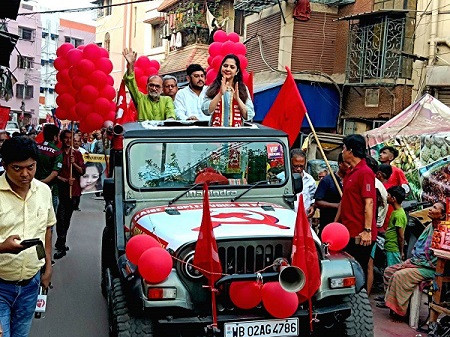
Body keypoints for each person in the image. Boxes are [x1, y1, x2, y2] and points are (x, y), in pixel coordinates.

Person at [0, 136, 55, 337]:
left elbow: (47, 230)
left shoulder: (44, 191)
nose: (25, 174)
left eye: (30, 167)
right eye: (17, 168)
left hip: (31, 285)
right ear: (5, 165)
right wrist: (2, 247)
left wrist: (47, 268)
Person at [379, 201, 446, 317]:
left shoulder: (442, 231)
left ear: (442, 215)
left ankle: (399, 311)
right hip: (418, 262)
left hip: (429, 268)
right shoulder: (430, 226)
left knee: (399, 275)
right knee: (389, 271)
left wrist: (415, 263)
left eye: (434, 208)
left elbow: (434, 257)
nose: (430, 209)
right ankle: (391, 302)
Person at [335, 134, 377, 281]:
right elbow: (344, 201)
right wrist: (335, 224)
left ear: (351, 151)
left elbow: (369, 203)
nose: (342, 151)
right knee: (346, 271)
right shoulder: (350, 173)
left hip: (360, 234)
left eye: (344, 148)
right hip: (346, 231)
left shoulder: (365, 172)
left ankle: (360, 303)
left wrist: (367, 231)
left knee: (358, 273)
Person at [54, 130, 85, 259]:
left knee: (67, 219)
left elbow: (82, 171)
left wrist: (74, 164)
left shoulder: (76, 154)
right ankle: (61, 245)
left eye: (70, 138)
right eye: (65, 138)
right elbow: (54, 174)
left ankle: (61, 241)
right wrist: (65, 180)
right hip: (60, 191)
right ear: (62, 139)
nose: (68, 140)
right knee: (60, 219)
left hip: (74, 192)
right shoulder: (57, 153)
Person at [122, 48, 176, 121]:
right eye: (151, 85)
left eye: (157, 86)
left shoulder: (167, 100)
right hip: (144, 132)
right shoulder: (141, 99)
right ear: (146, 87)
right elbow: (131, 83)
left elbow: (171, 115)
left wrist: (169, 121)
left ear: (162, 89)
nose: (154, 88)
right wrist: (131, 65)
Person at [202, 54, 255, 126]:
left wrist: (238, 99)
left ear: (237, 71)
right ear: (221, 68)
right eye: (225, 66)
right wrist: (220, 94)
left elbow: (249, 115)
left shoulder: (242, 88)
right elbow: (206, 111)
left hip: (236, 134)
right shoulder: (213, 87)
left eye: (232, 67)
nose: (228, 69)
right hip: (215, 133)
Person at [314, 153, 348, 236]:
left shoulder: (351, 180)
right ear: (340, 163)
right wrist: (337, 205)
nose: (350, 166)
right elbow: (318, 202)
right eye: (347, 163)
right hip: (328, 222)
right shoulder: (327, 180)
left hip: (345, 224)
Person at [35, 124, 63, 212]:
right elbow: (54, 173)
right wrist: (43, 182)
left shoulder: (35, 147)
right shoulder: (57, 152)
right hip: (50, 189)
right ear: (55, 137)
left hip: (33, 186)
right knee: (50, 217)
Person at [290, 149, 316, 216]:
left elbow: (313, 198)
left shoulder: (310, 180)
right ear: (290, 163)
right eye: (295, 166)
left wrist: (313, 207)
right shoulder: (282, 179)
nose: (298, 169)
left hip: (304, 217)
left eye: (301, 166)